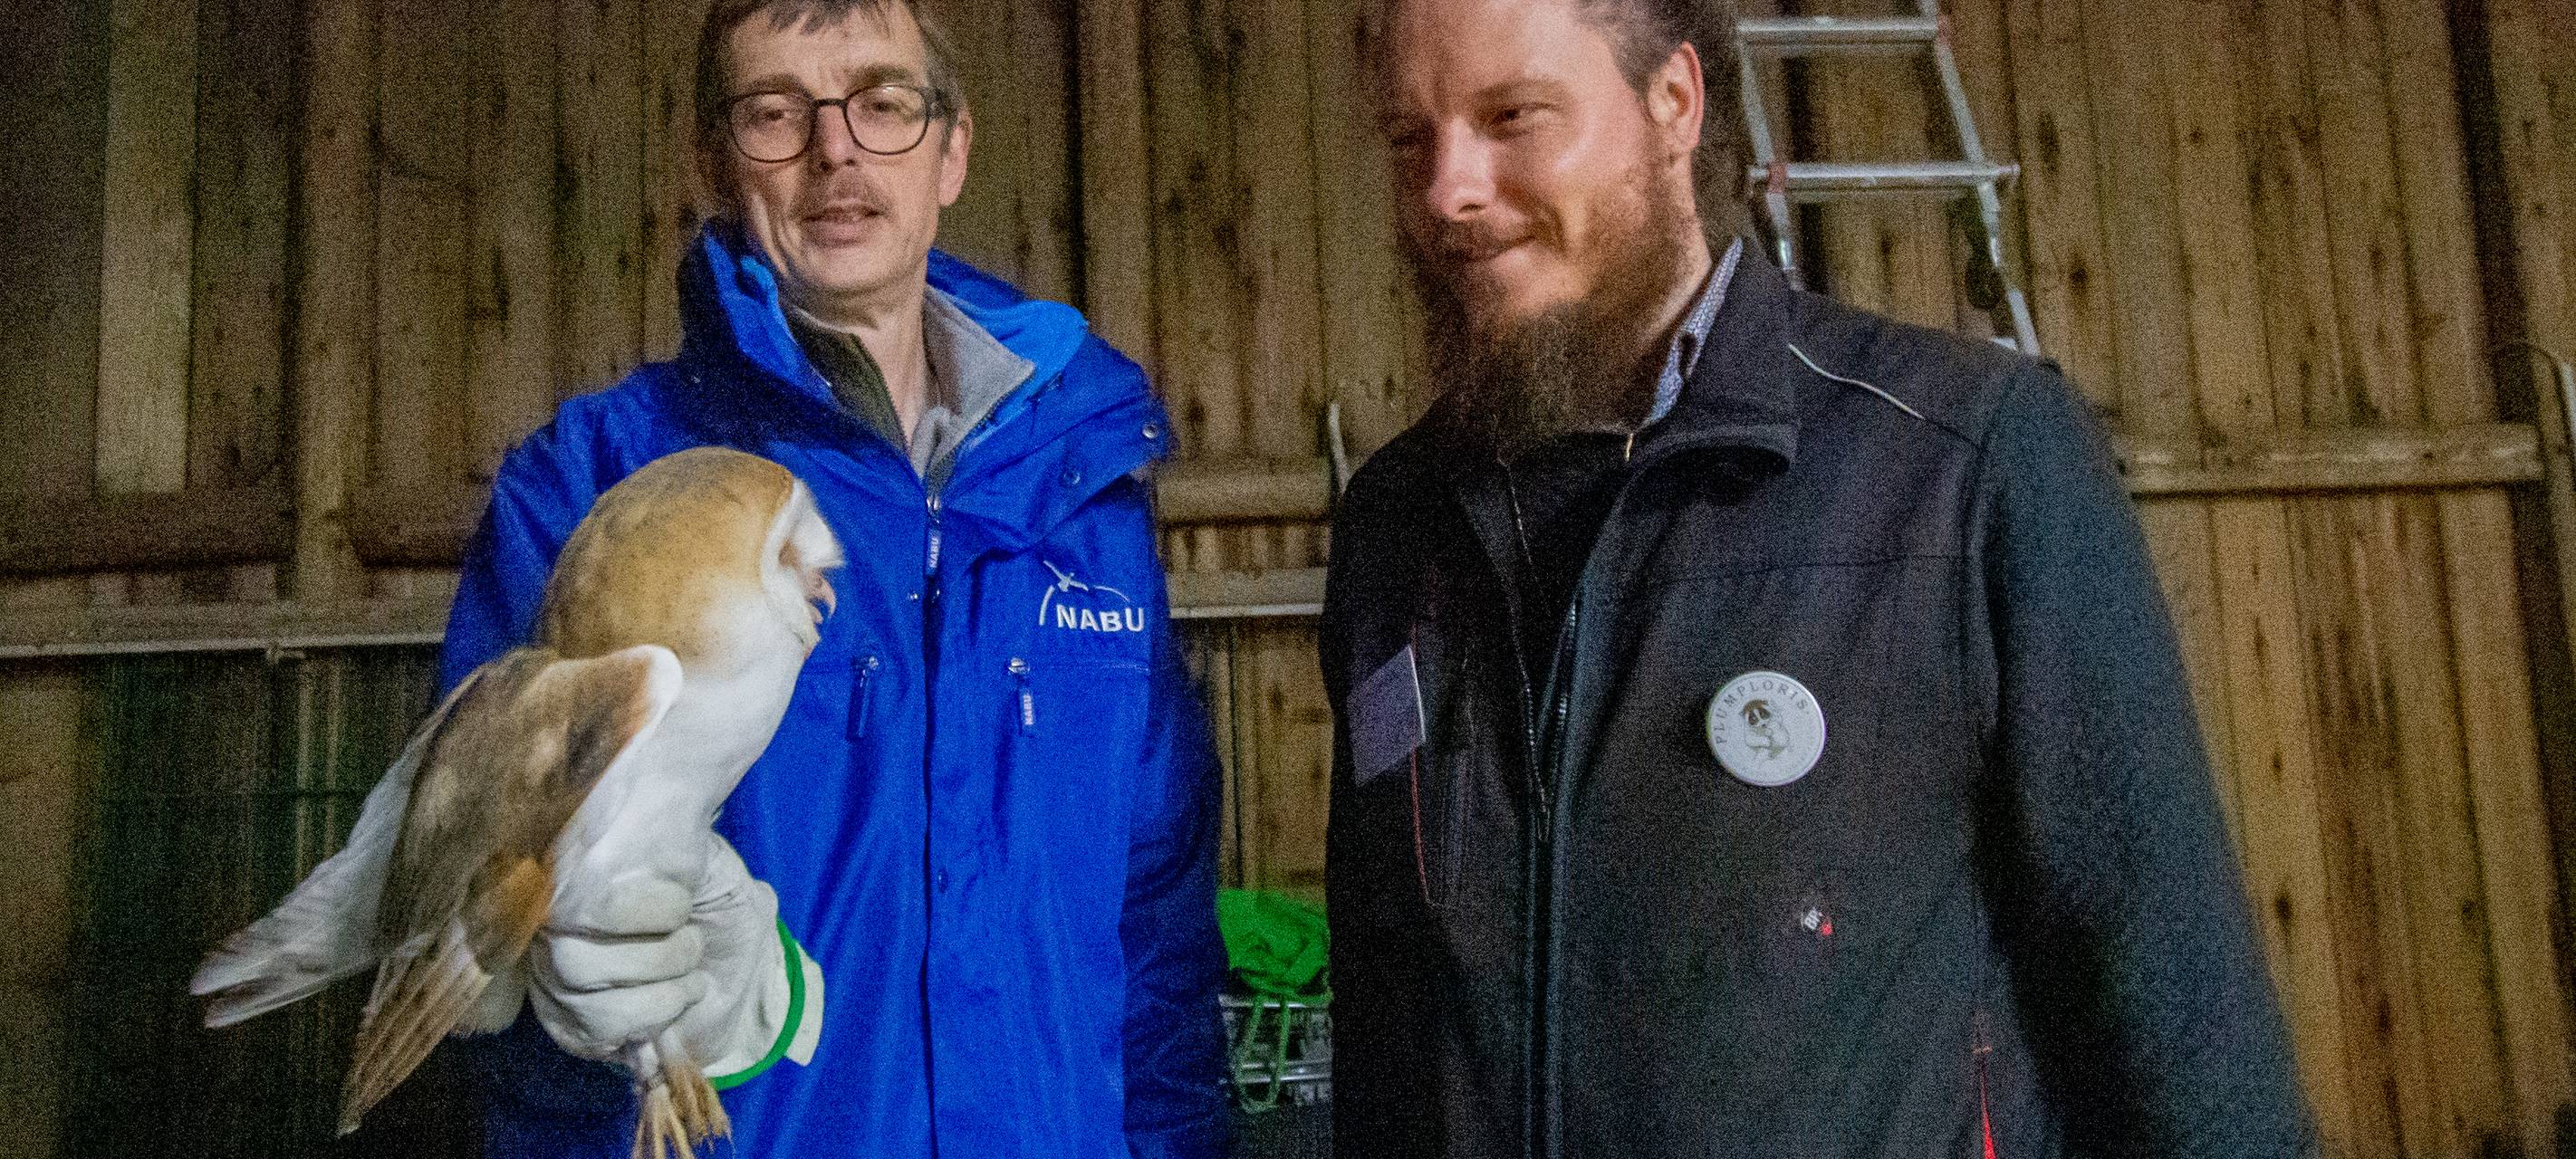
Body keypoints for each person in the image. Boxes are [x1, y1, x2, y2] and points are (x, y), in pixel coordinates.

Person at [1317, 0, 2316, 1155]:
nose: (1449, 188)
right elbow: (1387, 1042)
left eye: (1513, 117)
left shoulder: (1966, 467)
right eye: (1409, 139)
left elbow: (2190, 1044)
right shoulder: (1396, 528)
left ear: (1674, 104)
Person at [436, 1, 1226, 1154]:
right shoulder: (591, 486)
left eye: (884, 102)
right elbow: (477, 928)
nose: (836, 149)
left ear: (950, 150)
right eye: (775, 111)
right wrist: (601, 1008)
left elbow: (1156, 937)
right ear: (716, 161)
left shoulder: (1083, 498)